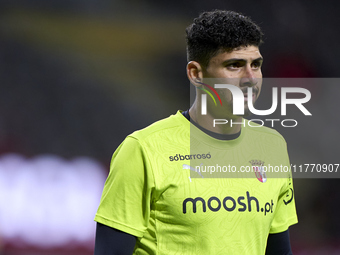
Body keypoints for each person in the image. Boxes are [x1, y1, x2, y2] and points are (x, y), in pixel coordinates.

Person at [94, 10, 298, 255]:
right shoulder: (143, 149)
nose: (251, 78)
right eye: (234, 65)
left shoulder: (272, 147)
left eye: (256, 65)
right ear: (196, 74)